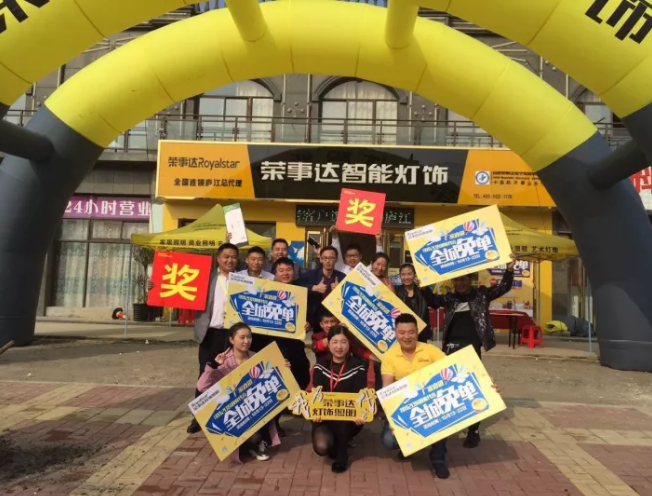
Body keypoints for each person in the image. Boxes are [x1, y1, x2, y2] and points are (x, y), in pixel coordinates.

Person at [424, 254, 516, 449]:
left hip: (471, 348)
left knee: (472, 388)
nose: (460, 283)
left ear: (470, 279)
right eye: (456, 280)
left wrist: (509, 270)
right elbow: (433, 301)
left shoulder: (481, 295)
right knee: (448, 388)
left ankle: (473, 430)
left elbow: (503, 287)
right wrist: (422, 285)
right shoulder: (450, 298)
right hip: (450, 348)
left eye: (463, 279)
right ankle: (449, 424)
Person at [197, 323, 282, 463]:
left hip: (255, 409)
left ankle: (255, 443)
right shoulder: (224, 361)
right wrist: (213, 365)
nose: (246, 341)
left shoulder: (257, 357)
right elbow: (202, 387)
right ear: (231, 340)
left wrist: (282, 367)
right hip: (234, 415)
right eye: (242, 337)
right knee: (254, 438)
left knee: (261, 426)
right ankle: (248, 445)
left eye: (249, 337)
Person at [380, 314, 450, 479]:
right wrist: (392, 419)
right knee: (389, 440)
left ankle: (438, 458)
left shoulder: (431, 350)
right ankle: (410, 446)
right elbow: (387, 389)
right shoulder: (389, 356)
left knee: (444, 416)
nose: (407, 336)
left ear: (417, 332)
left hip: (433, 404)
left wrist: (485, 380)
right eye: (402, 332)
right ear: (395, 333)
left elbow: (454, 368)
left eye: (411, 332)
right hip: (405, 408)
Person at [188, 242, 240, 434]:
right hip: (210, 333)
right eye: (226, 256)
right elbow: (178, 287)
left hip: (233, 335)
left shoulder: (244, 280)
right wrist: (155, 286)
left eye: (233, 256)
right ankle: (198, 417)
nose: (229, 260)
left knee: (233, 374)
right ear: (218, 258)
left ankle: (230, 416)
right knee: (206, 373)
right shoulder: (205, 278)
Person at [312, 326, 368, 473]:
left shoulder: (358, 366)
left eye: (343, 342)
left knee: (343, 419)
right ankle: (337, 444)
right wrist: (315, 413)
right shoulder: (320, 365)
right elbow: (317, 395)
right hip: (325, 418)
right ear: (328, 343)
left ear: (349, 344)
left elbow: (359, 395)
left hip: (350, 420)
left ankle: (342, 453)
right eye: (335, 342)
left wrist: (360, 412)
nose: (339, 347)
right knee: (322, 446)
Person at [297, 246, 346, 332]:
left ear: (336, 260)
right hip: (316, 318)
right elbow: (297, 285)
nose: (328, 261)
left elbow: (349, 297)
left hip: (335, 318)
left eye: (331, 258)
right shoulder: (310, 274)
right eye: (325, 258)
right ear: (320, 259)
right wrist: (314, 288)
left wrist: (341, 289)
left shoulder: (342, 277)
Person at [394, 263, 434, 343]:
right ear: (400, 276)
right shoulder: (396, 291)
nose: (406, 277)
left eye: (409, 274)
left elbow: (435, 303)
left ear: (414, 275)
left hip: (421, 335)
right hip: (402, 335)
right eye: (403, 274)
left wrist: (425, 289)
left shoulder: (422, 290)